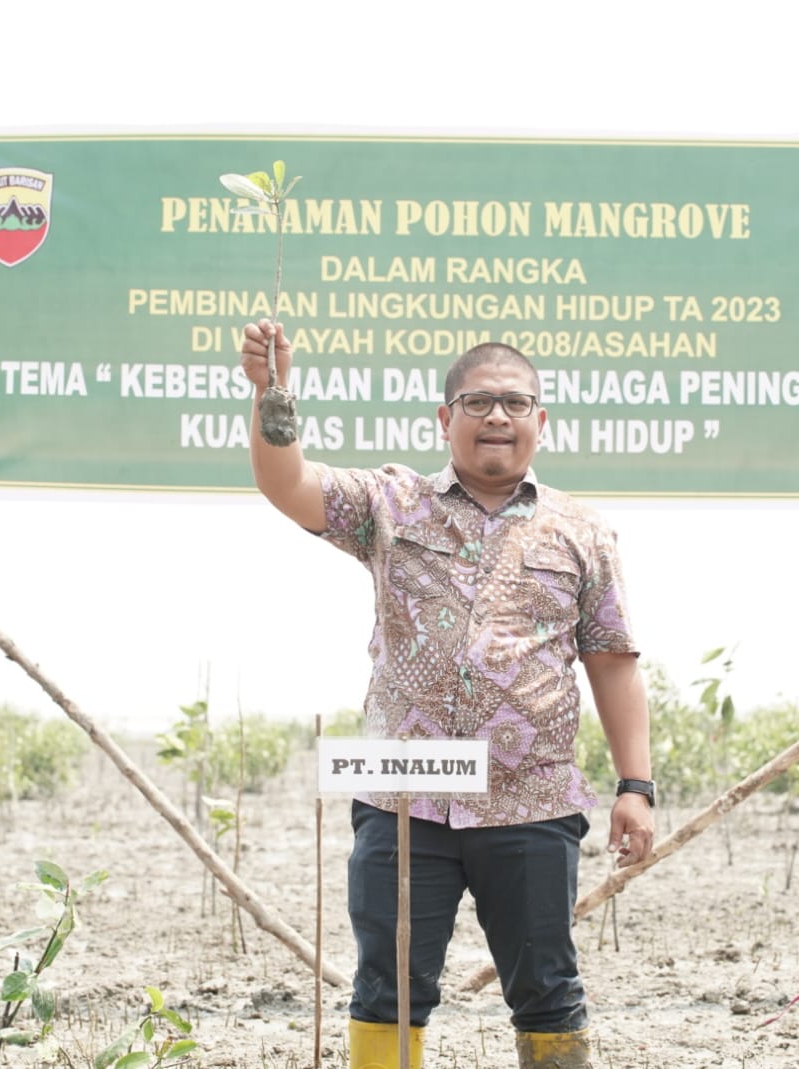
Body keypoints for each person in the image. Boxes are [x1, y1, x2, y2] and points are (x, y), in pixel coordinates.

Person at [239, 320, 655, 1069]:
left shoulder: (582, 530)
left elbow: (613, 661)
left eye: (515, 402)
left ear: (541, 421)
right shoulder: (390, 504)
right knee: (387, 990)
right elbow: (288, 485)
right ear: (445, 418)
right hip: (405, 800)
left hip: (530, 799)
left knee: (547, 989)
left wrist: (636, 784)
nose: (498, 415)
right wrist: (272, 396)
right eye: (479, 400)